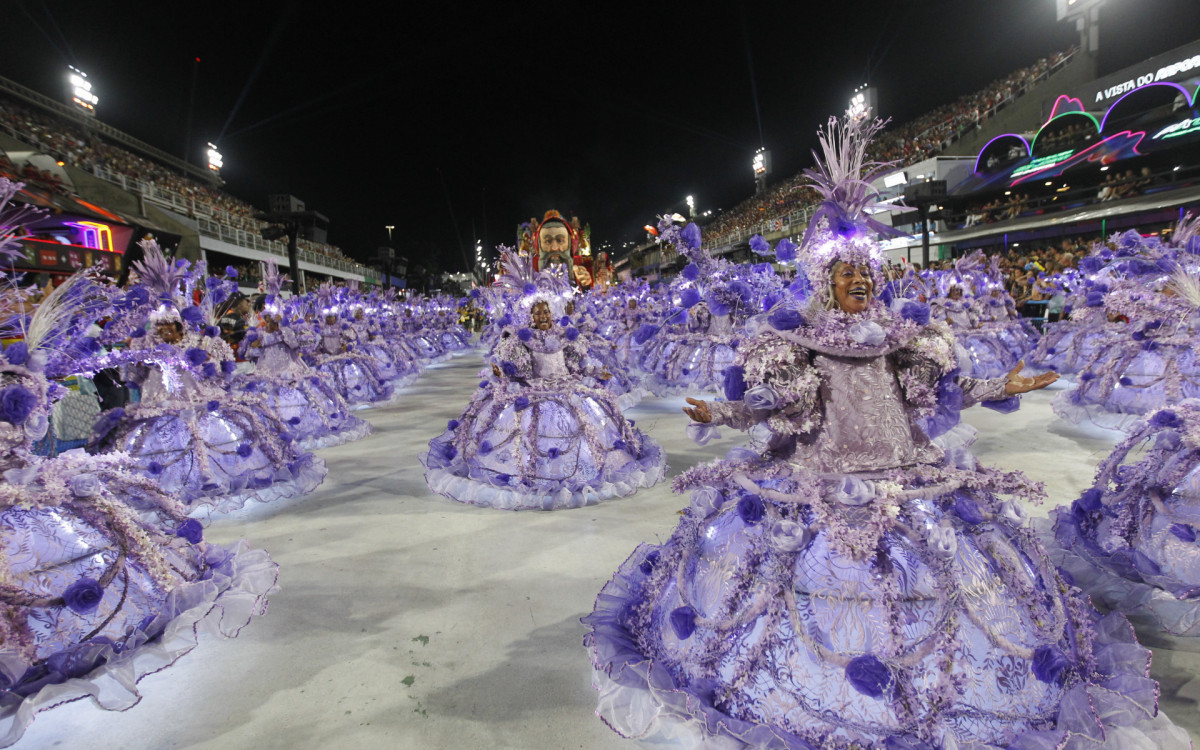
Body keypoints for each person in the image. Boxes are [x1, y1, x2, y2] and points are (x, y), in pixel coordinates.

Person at [582, 116, 1187, 749]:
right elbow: (772, 401)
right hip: (820, 480)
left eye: (865, 273)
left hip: (910, 477)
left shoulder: (903, 342)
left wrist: (999, 388)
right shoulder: (799, 344)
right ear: (826, 283)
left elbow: (942, 395)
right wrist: (724, 413)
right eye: (846, 274)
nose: (860, 281)